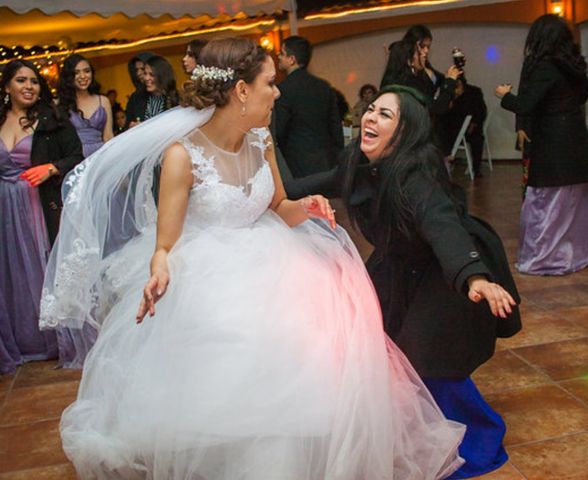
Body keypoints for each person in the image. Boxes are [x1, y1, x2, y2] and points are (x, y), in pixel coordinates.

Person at [40, 38, 465, 479]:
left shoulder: (261, 139)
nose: (277, 92)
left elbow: (278, 205)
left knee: (314, 349)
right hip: (210, 275)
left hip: (273, 257)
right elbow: (166, 242)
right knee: (238, 370)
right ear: (242, 91)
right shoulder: (182, 156)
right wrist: (160, 266)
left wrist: (308, 207)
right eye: (269, 83)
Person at [284, 85, 522, 479]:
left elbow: (442, 226)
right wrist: (263, 195)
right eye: (371, 110)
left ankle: (477, 436)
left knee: (430, 356)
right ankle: (410, 428)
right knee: (374, 342)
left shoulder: (417, 175)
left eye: (385, 115)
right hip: (399, 263)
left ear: (405, 132)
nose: (370, 119)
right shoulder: (358, 163)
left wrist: (473, 276)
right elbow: (316, 182)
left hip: (444, 269)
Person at [496, 14, 588, 275]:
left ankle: (546, 257)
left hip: (554, 143)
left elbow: (526, 104)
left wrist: (505, 96)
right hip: (576, 139)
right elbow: (584, 93)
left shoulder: (544, 67)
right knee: (577, 202)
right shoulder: (572, 67)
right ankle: (577, 251)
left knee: (546, 203)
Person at [0, 59, 83, 374]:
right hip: (4, 208)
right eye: (21, 80)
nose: (29, 87)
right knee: (9, 275)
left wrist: (51, 168)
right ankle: (18, 341)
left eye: (34, 81)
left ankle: (47, 341)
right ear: (7, 86)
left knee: (40, 268)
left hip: (37, 207)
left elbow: (76, 155)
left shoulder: (53, 120)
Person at [380, 25, 461, 148]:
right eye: (421, 49)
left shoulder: (406, 78)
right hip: (413, 143)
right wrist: (449, 83)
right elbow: (436, 107)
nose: (425, 53)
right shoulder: (407, 84)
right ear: (408, 60)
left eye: (427, 48)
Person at [275, 35, 344, 177]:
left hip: (296, 163)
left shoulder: (283, 89)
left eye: (282, 53)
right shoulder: (324, 86)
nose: (278, 57)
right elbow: (335, 127)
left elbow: (279, 130)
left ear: (292, 59)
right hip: (326, 160)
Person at [58, 54, 113, 157]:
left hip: (100, 157)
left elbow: (108, 136)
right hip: (73, 159)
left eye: (87, 71)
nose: (83, 76)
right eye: (76, 73)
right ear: (68, 76)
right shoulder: (60, 103)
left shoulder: (103, 101)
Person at [441, 78, 487, 177]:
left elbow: (482, 111)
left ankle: (476, 168)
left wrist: (474, 123)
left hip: (471, 128)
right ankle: (446, 164)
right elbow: (444, 115)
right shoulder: (447, 93)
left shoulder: (474, 92)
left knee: (477, 140)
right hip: (452, 128)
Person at [141, 55, 179, 122]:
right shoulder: (140, 99)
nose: (146, 78)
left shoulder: (176, 99)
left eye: (151, 74)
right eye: (145, 73)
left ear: (162, 76)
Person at [124, 51, 154, 128]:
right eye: (136, 70)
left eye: (142, 69)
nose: (138, 73)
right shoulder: (134, 98)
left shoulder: (167, 94)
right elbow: (128, 124)